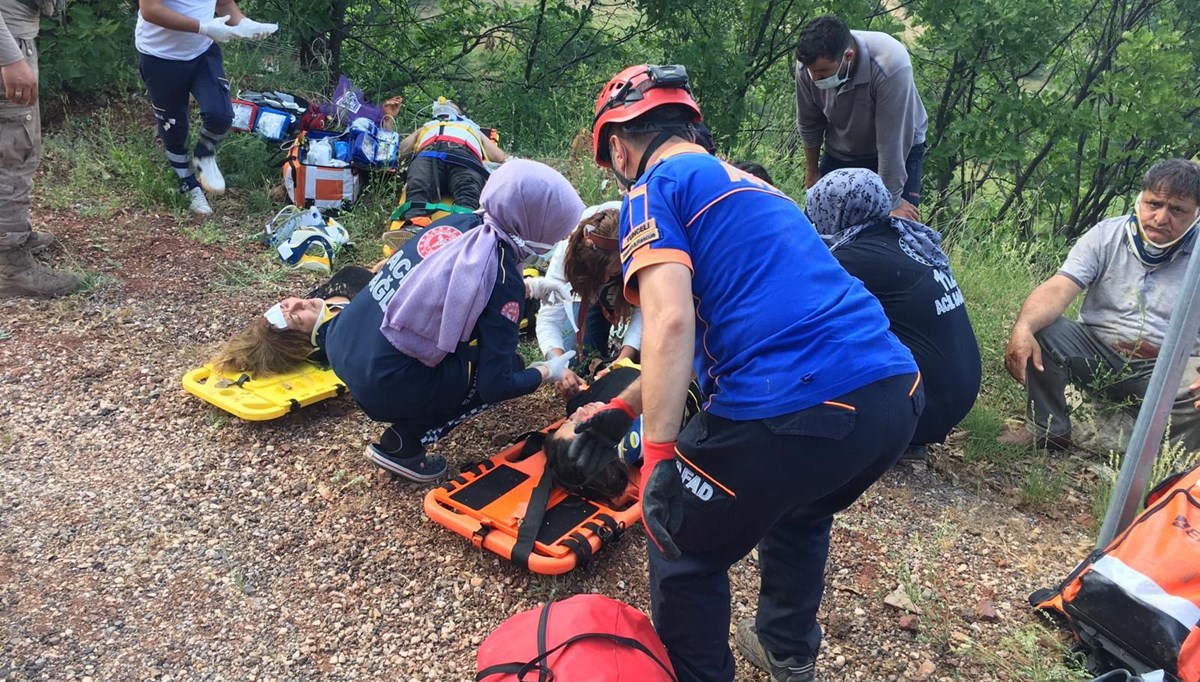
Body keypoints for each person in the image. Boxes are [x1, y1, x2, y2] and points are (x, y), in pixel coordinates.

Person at [583, 63, 922, 682]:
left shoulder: (652, 187)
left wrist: (659, 457)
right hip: (891, 394)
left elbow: (670, 327)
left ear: (620, 145)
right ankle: (786, 650)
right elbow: (725, 332)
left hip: (799, 399)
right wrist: (624, 409)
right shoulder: (762, 192)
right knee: (799, 502)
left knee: (679, 542)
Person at [212, 160, 584, 481]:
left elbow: (455, 285)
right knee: (511, 367)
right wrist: (544, 371)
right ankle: (404, 444)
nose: (554, 241)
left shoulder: (463, 222)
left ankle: (415, 401)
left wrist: (529, 287)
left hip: (351, 350)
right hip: (385, 384)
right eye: (555, 231)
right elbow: (496, 384)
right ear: (532, 222)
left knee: (471, 359)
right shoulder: (498, 270)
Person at [1000, 158, 1200, 454]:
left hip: (1170, 368)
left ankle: (1169, 468)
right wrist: (1023, 327)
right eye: (1153, 204)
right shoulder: (1107, 234)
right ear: (1140, 198)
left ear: (1196, 214)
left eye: (1177, 210)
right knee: (1041, 328)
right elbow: (1058, 287)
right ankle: (1048, 430)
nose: (1160, 218)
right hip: (1098, 354)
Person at [806, 168, 981, 460]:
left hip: (926, 407)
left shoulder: (854, 258)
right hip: (949, 396)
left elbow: (798, 305)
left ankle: (873, 432)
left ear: (837, 210)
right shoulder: (901, 238)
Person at [136, 0, 277, 216]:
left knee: (220, 114)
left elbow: (224, 4)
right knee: (173, 125)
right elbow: (150, 10)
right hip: (160, 56)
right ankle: (188, 184)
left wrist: (244, 24)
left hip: (203, 52)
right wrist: (204, 27)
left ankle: (204, 157)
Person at [795, 14, 927, 222]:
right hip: (842, 149)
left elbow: (892, 141)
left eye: (822, 72)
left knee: (892, 228)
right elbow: (809, 122)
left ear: (848, 56)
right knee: (818, 222)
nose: (815, 78)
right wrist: (812, 170)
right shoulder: (807, 66)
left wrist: (891, 201)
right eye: (812, 72)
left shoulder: (891, 66)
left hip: (898, 149)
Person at [0, 0, 82, 298]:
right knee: (14, 153)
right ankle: (12, 265)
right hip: (7, 41)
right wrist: (9, 58)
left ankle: (11, 237)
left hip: (12, 36)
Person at [536, 202, 645, 393]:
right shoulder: (568, 249)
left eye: (611, 273)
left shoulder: (642, 247)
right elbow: (549, 318)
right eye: (597, 274)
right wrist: (558, 366)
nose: (603, 280)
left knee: (640, 362)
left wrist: (625, 358)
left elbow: (645, 311)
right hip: (586, 298)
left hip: (629, 288)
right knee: (582, 362)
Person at [396, 97, 507, 227]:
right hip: (428, 155)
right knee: (418, 187)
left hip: (464, 156)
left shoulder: (471, 127)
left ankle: (462, 228)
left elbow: (500, 157)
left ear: (459, 111)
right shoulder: (426, 127)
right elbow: (401, 153)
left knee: (468, 192)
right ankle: (414, 227)